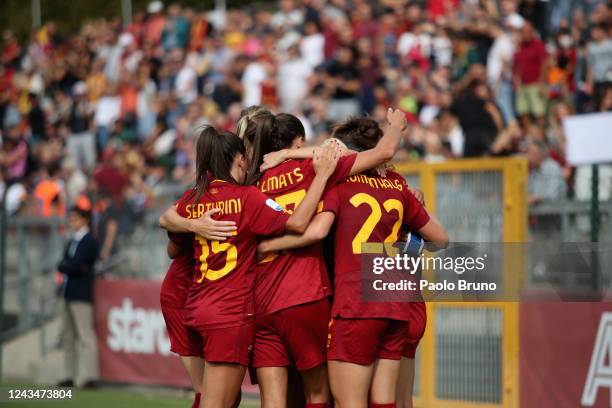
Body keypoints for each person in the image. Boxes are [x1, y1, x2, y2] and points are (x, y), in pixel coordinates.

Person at [258, 118, 448, 408]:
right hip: (399, 301)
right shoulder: (397, 184)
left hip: (356, 302)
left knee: (348, 401)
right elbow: (441, 239)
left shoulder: (341, 183)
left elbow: (319, 230)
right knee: (394, 400)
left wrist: (270, 245)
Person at [160, 126, 339, 408]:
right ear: (240, 159)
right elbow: (297, 224)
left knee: (213, 396)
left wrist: (193, 226)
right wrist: (323, 177)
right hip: (229, 312)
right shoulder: (246, 196)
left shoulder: (194, 197)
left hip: (197, 307)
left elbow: (171, 240)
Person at [239, 108, 406, 408]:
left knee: (274, 399)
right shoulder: (316, 170)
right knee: (321, 395)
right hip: (308, 295)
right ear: (299, 142)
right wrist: (396, 126)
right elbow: (370, 152)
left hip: (261, 301)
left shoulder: (252, 185)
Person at [56, 199, 100, 388]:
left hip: (81, 293)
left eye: (74, 218)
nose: (71, 221)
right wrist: (68, 266)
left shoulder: (89, 240)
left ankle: (90, 376)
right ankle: (69, 375)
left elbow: (79, 265)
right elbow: (67, 264)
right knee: (68, 336)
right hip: (68, 292)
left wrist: (67, 266)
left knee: (85, 335)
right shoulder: (72, 240)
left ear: (84, 220)